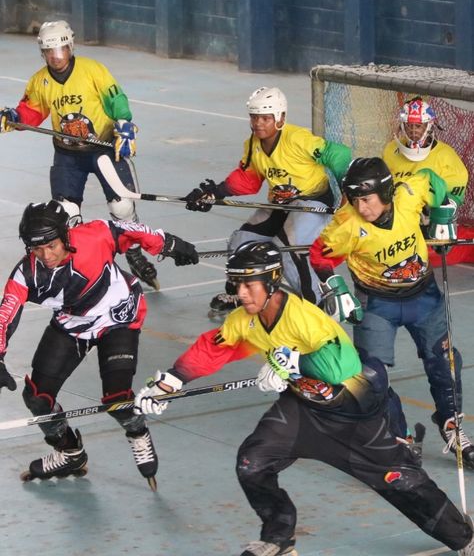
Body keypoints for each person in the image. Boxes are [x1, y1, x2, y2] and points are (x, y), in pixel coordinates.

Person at [134, 241, 474, 556]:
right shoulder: (245, 320)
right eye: (237, 284)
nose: (241, 293)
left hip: (353, 411)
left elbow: (344, 366)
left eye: (248, 284)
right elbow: (214, 348)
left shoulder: (303, 318)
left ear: (271, 282)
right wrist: (169, 383)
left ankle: (463, 538)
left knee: (401, 483)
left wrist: (292, 362)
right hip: (304, 408)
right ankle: (278, 539)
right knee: (252, 463)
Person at [0, 200, 198, 489]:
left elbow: (133, 230)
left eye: (51, 245)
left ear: (65, 235)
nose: (45, 255)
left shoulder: (94, 235)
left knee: (117, 399)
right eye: (36, 249)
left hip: (118, 317)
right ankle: (69, 452)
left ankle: (137, 431)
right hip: (72, 324)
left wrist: (169, 244)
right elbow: (6, 313)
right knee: (37, 397)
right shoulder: (26, 275)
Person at [309, 156, 474, 468]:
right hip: (377, 304)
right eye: (355, 200)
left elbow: (433, 179)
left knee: (446, 362)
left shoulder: (410, 193)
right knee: (370, 377)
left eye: (367, 199)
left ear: (386, 193)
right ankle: (400, 438)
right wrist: (335, 285)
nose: (362, 208)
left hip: (423, 295)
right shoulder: (346, 225)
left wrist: (443, 212)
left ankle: (453, 428)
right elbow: (318, 254)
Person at [0, 20, 160, 290]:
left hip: (103, 148)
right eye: (50, 52)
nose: (56, 57)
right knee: (67, 214)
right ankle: (89, 266)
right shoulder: (40, 80)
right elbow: (33, 111)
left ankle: (133, 251)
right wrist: (14, 117)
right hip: (67, 155)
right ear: (43, 52)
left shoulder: (92, 70)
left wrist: (124, 125)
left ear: (70, 46)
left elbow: (116, 100)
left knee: (122, 206)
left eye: (61, 49)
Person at [183, 86, 352, 317]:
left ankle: (318, 307)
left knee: (289, 249)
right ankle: (242, 295)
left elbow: (339, 154)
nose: (258, 123)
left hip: (313, 201)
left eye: (265, 117)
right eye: (254, 117)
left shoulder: (297, 138)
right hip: (281, 204)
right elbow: (248, 179)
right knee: (242, 241)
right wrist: (215, 193)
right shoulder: (253, 144)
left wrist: (347, 190)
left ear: (280, 117)